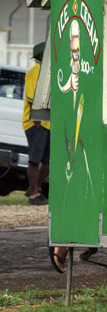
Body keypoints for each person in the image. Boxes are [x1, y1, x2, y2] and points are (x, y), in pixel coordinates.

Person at [22, 42, 50, 206]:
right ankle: (33, 194)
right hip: (36, 122)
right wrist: (38, 123)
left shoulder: (46, 71)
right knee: (35, 159)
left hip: (46, 123)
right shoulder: (35, 71)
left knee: (47, 160)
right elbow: (33, 98)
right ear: (41, 55)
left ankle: (34, 187)